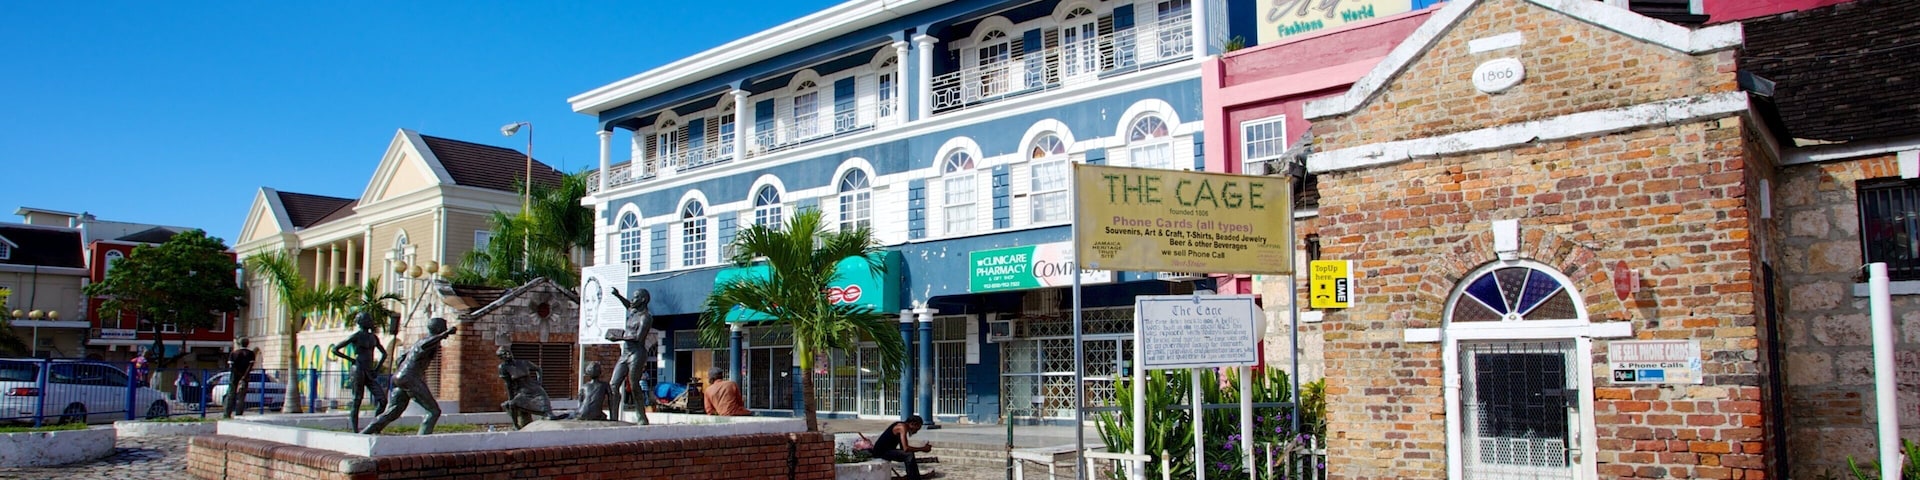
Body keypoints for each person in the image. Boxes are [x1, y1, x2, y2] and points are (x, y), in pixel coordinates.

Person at [360, 318, 457, 435]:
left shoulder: (422, 342)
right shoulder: (426, 341)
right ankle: (422, 440)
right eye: (443, 327)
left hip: (401, 377)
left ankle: (366, 432)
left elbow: (401, 358)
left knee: (394, 411)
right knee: (434, 411)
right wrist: (445, 334)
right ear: (438, 329)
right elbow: (427, 344)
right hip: (410, 378)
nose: (445, 330)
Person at [331, 312, 389, 432]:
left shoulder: (373, 337)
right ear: (361, 322)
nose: (370, 322)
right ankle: (354, 430)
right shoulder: (356, 336)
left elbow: (384, 353)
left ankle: (375, 427)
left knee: (382, 400)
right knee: (357, 400)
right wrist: (352, 360)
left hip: (369, 371)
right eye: (368, 320)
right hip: (358, 370)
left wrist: (376, 369)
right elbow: (335, 349)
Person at [606, 287, 657, 425]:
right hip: (625, 354)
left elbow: (639, 338)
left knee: (634, 385)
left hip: (637, 353)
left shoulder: (646, 317)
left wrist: (618, 338)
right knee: (613, 384)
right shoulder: (633, 312)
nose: (632, 300)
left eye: (635, 297)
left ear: (643, 300)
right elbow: (628, 305)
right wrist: (618, 296)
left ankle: (641, 416)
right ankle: (614, 418)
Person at [498, 345, 556, 429]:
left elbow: (539, 369)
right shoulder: (503, 368)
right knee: (511, 404)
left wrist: (539, 382)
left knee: (548, 413)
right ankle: (516, 425)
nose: (507, 355)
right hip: (522, 392)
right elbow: (508, 385)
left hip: (535, 390)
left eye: (507, 353)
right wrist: (511, 398)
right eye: (503, 355)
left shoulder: (523, 362)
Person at [872, 415, 936, 480]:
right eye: (916, 429)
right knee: (909, 454)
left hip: (887, 451)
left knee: (909, 454)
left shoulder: (903, 427)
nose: (915, 432)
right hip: (880, 452)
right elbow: (906, 448)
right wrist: (923, 448)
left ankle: (914, 477)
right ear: (912, 424)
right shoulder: (902, 427)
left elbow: (903, 448)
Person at [222, 338, 257, 418]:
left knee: (230, 395)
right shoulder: (251, 353)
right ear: (247, 344)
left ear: (239, 344)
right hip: (245, 377)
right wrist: (244, 376)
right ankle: (239, 414)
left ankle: (227, 414)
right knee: (241, 396)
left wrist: (237, 374)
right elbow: (250, 366)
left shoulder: (234, 353)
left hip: (234, 377)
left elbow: (232, 366)